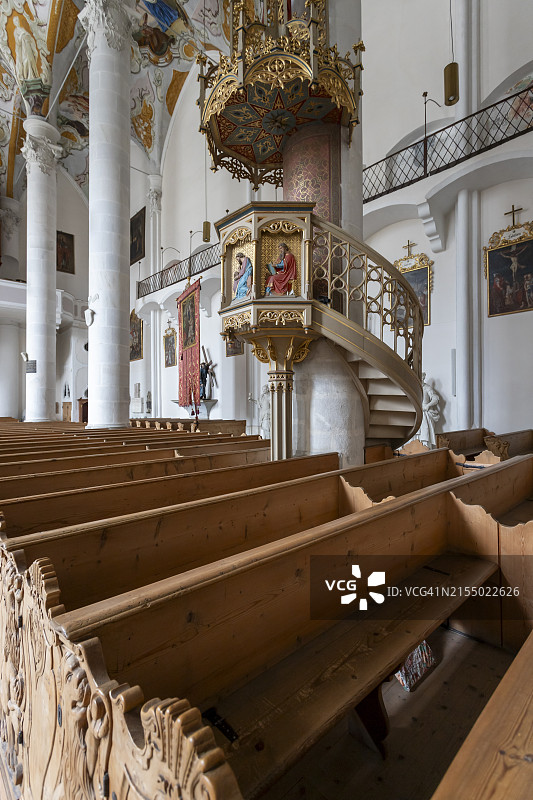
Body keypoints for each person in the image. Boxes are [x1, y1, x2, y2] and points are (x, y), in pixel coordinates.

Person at [418, 372, 440, 448]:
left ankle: (425, 448)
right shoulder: (415, 387)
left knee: (425, 431)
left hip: (425, 412)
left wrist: (428, 405)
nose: (421, 379)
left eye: (422, 377)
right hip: (417, 411)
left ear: (424, 378)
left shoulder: (427, 388)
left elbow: (435, 398)